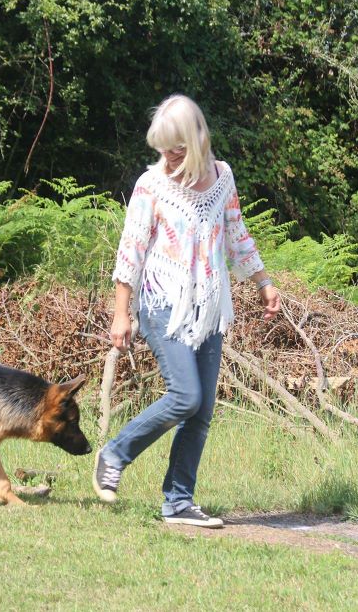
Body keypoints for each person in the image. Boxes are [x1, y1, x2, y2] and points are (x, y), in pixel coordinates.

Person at [93, 94, 281, 528]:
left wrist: (264, 283)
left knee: (201, 412)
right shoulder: (150, 185)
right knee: (185, 395)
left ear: (197, 140)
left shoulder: (222, 178)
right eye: (162, 148)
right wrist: (122, 314)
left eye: (176, 149)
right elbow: (131, 252)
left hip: (210, 306)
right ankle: (114, 453)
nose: (169, 157)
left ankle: (178, 502)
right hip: (162, 304)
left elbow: (237, 236)